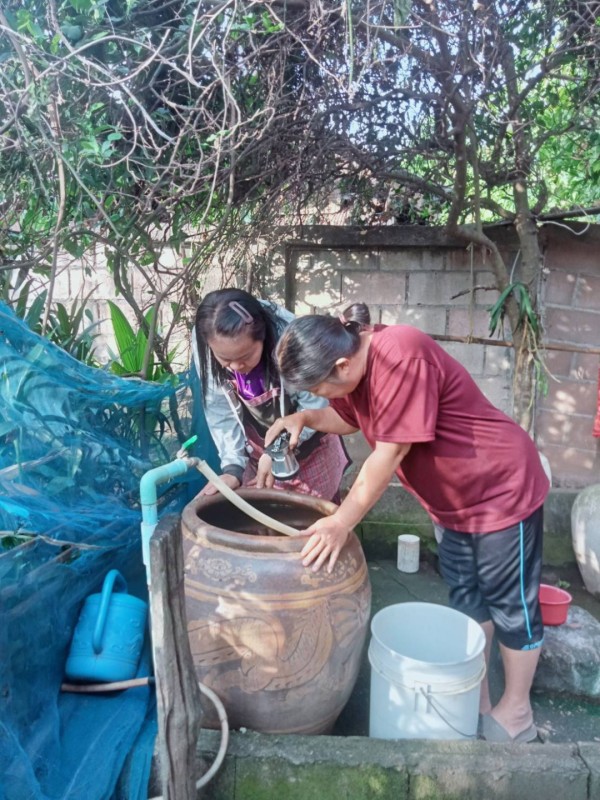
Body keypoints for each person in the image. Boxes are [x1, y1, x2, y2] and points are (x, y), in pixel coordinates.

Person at [265, 312, 550, 744]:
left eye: (318, 389)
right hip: (451, 506)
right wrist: (304, 420)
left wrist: (342, 521)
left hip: (501, 491)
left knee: (512, 605)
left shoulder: (401, 352)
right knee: (468, 599)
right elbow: (350, 420)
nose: (317, 397)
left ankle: (518, 710)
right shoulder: (352, 373)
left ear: (341, 366)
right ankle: (478, 699)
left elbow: (391, 451)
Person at [192, 288, 349, 500]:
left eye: (246, 356)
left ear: (263, 336)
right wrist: (232, 469)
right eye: (226, 360)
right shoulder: (207, 343)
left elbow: (316, 404)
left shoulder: (291, 338)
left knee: (318, 522)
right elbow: (220, 413)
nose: (237, 366)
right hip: (258, 454)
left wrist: (276, 449)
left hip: (311, 446)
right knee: (262, 521)